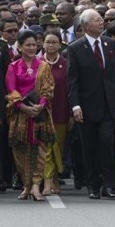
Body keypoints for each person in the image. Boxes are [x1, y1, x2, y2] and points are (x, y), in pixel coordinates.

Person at [67, 9, 115, 199]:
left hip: (108, 106)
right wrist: (75, 106)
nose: (101, 22)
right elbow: (72, 81)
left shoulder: (109, 44)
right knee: (90, 147)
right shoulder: (75, 48)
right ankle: (93, 185)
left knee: (107, 144)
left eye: (101, 19)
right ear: (85, 26)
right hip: (87, 107)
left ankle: (110, 185)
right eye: (96, 20)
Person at [5, 30, 56, 201]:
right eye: (28, 45)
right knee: (21, 152)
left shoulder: (44, 66)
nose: (32, 48)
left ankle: (36, 186)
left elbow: (48, 89)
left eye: (34, 44)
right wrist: (23, 107)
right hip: (20, 116)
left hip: (40, 115)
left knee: (40, 150)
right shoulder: (13, 67)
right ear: (19, 47)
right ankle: (26, 185)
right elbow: (11, 91)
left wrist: (39, 106)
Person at [41, 31, 69, 195]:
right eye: (48, 42)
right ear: (43, 44)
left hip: (61, 111)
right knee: (45, 147)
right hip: (42, 112)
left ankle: (55, 177)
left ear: (60, 44)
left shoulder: (66, 63)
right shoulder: (37, 62)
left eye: (54, 42)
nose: (51, 45)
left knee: (57, 146)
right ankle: (48, 180)